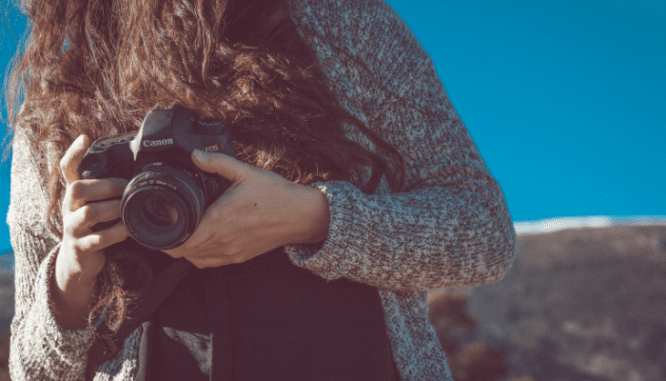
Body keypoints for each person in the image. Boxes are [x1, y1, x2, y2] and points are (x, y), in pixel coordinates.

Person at [5, 0, 517, 379]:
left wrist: (314, 218)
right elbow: (30, 372)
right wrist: (70, 275)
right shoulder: (54, 102)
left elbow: (485, 231)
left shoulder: (344, 25)